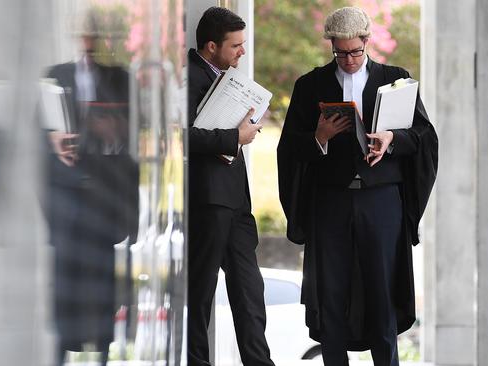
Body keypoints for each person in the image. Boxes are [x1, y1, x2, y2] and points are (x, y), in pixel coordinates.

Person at [277, 7, 438, 366]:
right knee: (331, 294)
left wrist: (391, 139)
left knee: (381, 294)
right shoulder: (310, 85)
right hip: (330, 201)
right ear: (331, 46)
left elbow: (425, 137)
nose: (348, 59)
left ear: (367, 42)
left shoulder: (396, 78)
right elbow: (289, 149)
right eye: (340, 52)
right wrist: (319, 137)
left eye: (355, 51)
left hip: (381, 202)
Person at [44, 10, 138, 366]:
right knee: (64, 284)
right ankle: (59, 355)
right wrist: (54, 141)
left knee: (102, 288)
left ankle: (101, 355)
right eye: (83, 34)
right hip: (66, 196)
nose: (89, 41)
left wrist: (113, 133)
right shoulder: (55, 76)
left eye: (94, 34)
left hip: (104, 197)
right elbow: (37, 133)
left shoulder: (120, 78)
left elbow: (134, 136)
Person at [187, 7, 274, 366]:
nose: (242, 52)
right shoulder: (186, 78)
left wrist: (244, 131)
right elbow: (177, 137)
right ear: (211, 46)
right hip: (206, 202)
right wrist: (233, 137)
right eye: (236, 45)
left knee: (250, 292)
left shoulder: (227, 77)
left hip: (236, 202)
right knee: (200, 293)